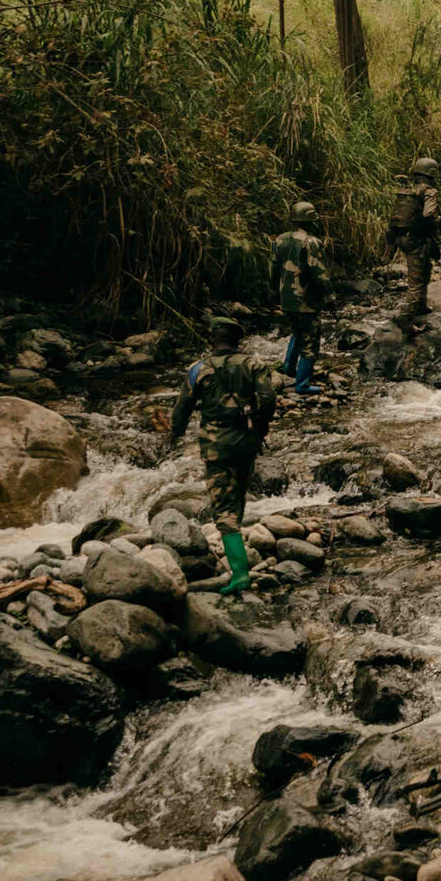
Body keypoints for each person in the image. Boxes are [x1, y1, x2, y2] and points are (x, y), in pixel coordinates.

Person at [163, 318, 278, 594]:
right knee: (239, 495)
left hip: (216, 447)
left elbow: (182, 408)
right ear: (237, 340)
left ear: (212, 339)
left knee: (223, 509)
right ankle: (241, 554)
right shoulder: (254, 364)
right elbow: (268, 400)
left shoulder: (198, 369)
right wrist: (260, 428)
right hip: (247, 442)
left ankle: (240, 573)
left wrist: (175, 436)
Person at [273, 201, 328, 396]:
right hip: (306, 299)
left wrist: (274, 292)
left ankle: (288, 369)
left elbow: (274, 269)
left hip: (287, 296)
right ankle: (302, 383)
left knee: (296, 331)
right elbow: (319, 273)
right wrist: (329, 296)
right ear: (310, 220)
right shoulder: (312, 242)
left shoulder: (280, 240)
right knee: (311, 340)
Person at [387, 156, 441, 325]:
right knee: (417, 280)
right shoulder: (429, 192)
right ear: (431, 174)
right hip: (417, 239)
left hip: (401, 238)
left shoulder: (407, 191)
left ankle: (420, 308)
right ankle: (407, 320)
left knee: (423, 271)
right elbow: (428, 214)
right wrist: (436, 221)